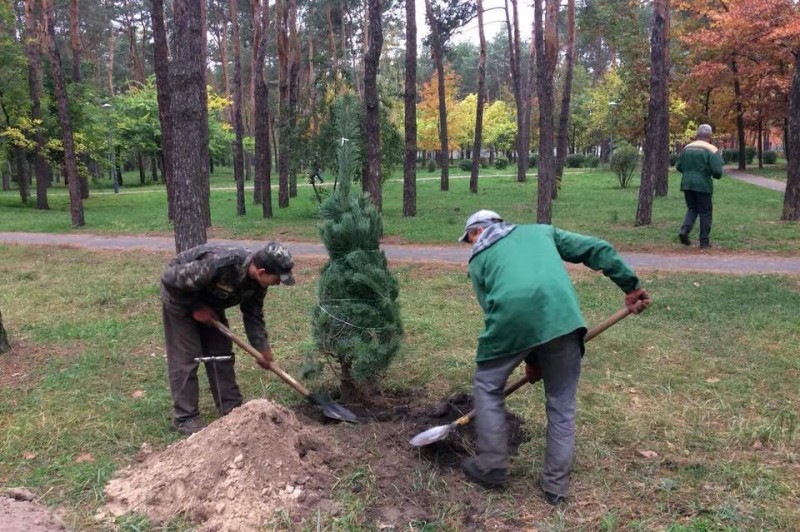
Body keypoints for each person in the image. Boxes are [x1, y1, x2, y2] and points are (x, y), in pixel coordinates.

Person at [458, 209, 651, 504]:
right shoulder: (541, 231)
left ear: (476, 232)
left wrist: (531, 359)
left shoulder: (479, 259)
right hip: (563, 321)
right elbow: (595, 248)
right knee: (562, 405)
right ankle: (555, 487)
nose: (472, 244)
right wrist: (631, 285)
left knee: (487, 385)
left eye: (469, 239)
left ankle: (492, 466)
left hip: (511, 326)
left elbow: (497, 313)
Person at [160, 241, 296, 436]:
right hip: (180, 297)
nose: (277, 283)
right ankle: (185, 418)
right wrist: (195, 308)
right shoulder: (221, 264)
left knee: (221, 352)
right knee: (187, 356)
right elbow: (169, 278)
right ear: (262, 271)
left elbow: (253, 313)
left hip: (210, 300)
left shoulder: (257, 282)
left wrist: (261, 347)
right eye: (277, 279)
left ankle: (232, 409)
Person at [676, 124, 724, 249]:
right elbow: (717, 171)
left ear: (697, 135)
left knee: (692, 208)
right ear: (710, 136)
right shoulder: (711, 149)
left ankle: (684, 230)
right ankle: (704, 241)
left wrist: (689, 173)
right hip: (703, 185)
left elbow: (678, 166)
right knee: (705, 212)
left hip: (686, 183)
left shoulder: (687, 148)